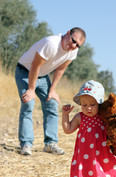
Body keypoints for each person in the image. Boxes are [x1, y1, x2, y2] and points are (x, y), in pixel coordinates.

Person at [15, 27, 86, 155]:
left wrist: (52, 90)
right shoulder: (51, 44)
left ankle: (50, 143)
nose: (73, 45)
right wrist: (31, 89)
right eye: (73, 40)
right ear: (67, 33)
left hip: (43, 76)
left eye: (77, 45)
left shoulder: (72, 52)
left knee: (52, 103)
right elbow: (35, 66)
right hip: (25, 72)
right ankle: (26, 144)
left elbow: (60, 70)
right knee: (28, 103)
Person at [62, 80, 116, 177]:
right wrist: (65, 115)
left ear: (100, 104)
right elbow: (68, 130)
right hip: (85, 156)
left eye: (92, 104)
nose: (88, 108)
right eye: (84, 105)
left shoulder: (103, 118)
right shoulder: (80, 117)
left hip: (103, 155)